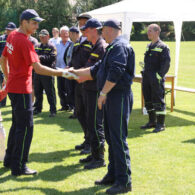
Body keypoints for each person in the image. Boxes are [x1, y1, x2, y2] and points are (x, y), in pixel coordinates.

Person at [0, 9, 70, 176]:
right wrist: (63, 73)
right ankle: (19, 166)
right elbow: (38, 68)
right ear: (24, 22)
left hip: (14, 88)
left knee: (17, 125)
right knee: (26, 128)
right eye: (34, 23)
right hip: (22, 90)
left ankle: (10, 160)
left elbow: (3, 59)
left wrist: (9, 78)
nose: (37, 26)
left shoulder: (11, 36)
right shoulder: (24, 41)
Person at [69, 19, 135, 194]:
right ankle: (113, 175)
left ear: (110, 30)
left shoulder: (120, 46)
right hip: (111, 96)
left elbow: (117, 71)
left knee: (118, 139)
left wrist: (103, 93)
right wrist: (75, 73)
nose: (101, 33)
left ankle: (124, 181)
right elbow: (96, 69)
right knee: (112, 138)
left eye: (103, 30)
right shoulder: (112, 47)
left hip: (117, 96)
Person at [78, 18, 107, 170]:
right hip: (89, 89)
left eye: (87, 30)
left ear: (95, 30)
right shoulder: (94, 45)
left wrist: (80, 75)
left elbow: (97, 72)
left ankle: (99, 158)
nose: (84, 33)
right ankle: (94, 154)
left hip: (95, 90)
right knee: (90, 122)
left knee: (96, 124)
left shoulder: (101, 47)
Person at [69, 13, 92, 155]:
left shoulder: (93, 41)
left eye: (84, 22)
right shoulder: (78, 41)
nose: (82, 25)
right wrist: (68, 68)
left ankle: (91, 143)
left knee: (90, 113)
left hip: (88, 82)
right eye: (80, 23)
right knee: (79, 112)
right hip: (77, 82)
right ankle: (87, 138)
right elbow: (74, 60)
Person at [140, 24, 170, 133]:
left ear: (157, 32)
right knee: (148, 100)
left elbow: (166, 64)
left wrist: (158, 76)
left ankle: (161, 124)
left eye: (150, 31)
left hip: (156, 78)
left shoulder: (163, 46)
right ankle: (152, 121)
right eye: (148, 31)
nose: (148, 33)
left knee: (158, 101)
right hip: (147, 77)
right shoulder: (149, 45)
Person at [33, 29, 57, 117]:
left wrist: (40, 57)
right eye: (41, 37)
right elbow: (33, 55)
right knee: (37, 92)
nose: (42, 38)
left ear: (48, 37)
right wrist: (40, 57)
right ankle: (38, 108)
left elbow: (51, 58)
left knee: (50, 93)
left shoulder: (52, 46)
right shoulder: (37, 45)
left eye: (44, 36)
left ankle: (53, 110)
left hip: (47, 72)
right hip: (37, 73)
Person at [64, 26, 80, 119]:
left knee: (76, 93)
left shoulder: (79, 44)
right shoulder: (72, 44)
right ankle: (75, 110)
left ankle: (77, 112)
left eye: (70, 34)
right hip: (70, 71)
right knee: (70, 91)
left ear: (74, 34)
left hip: (76, 72)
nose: (69, 36)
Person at [55, 26, 72, 111]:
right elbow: (55, 56)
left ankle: (71, 105)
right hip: (59, 70)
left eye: (66, 33)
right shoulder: (57, 44)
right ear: (60, 34)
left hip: (68, 70)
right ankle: (64, 105)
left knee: (69, 89)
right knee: (60, 89)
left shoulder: (71, 44)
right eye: (63, 33)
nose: (65, 34)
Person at [0, 22, 16, 107]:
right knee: (3, 83)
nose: (8, 31)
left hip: (11, 65)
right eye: (7, 29)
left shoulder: (15, 39)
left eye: (10, 30)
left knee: (8, 83)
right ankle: (2, 103)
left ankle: (13, 100)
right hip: (2, 63)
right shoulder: (1, 38)